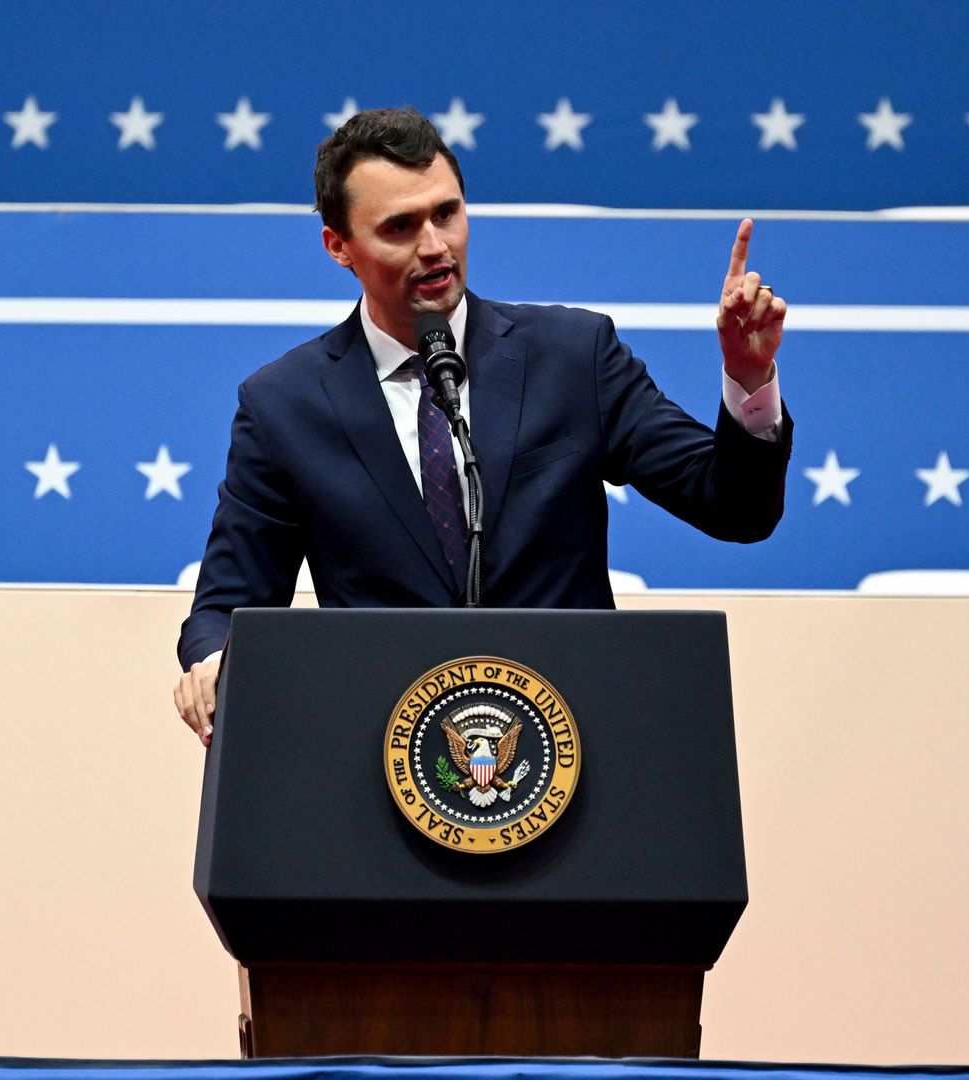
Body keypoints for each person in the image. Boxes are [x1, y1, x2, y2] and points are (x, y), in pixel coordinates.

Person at [172, 108, 791, 744]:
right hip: (381, 762)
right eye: (400, 227)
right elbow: (226, 604)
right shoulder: (285, 405)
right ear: (339, 247)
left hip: (573, 748)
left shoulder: (575, 355)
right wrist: (216, 661)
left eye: (447, 213)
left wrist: (748, 378)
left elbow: (737, 508)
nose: (435, 246)